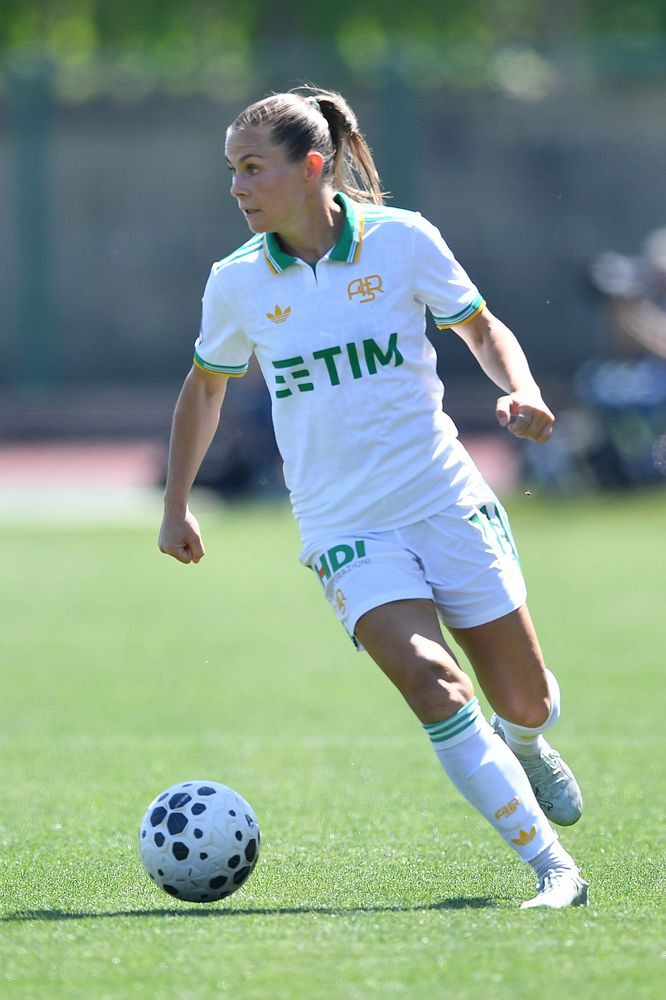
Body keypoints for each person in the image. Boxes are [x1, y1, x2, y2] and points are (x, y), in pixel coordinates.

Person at [158, 87, 588, 910]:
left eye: (254, 169)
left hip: (443, 498)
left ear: (313, 167)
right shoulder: (237, 283)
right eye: (231, 172)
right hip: (344, 527)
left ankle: (525, 742)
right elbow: (205, 389)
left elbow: (481, 327)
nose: (239, 188)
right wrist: (177, 502)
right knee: (433, 684)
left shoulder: (403, 240)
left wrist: (523, 389)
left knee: (525, 700)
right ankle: (553, 868)